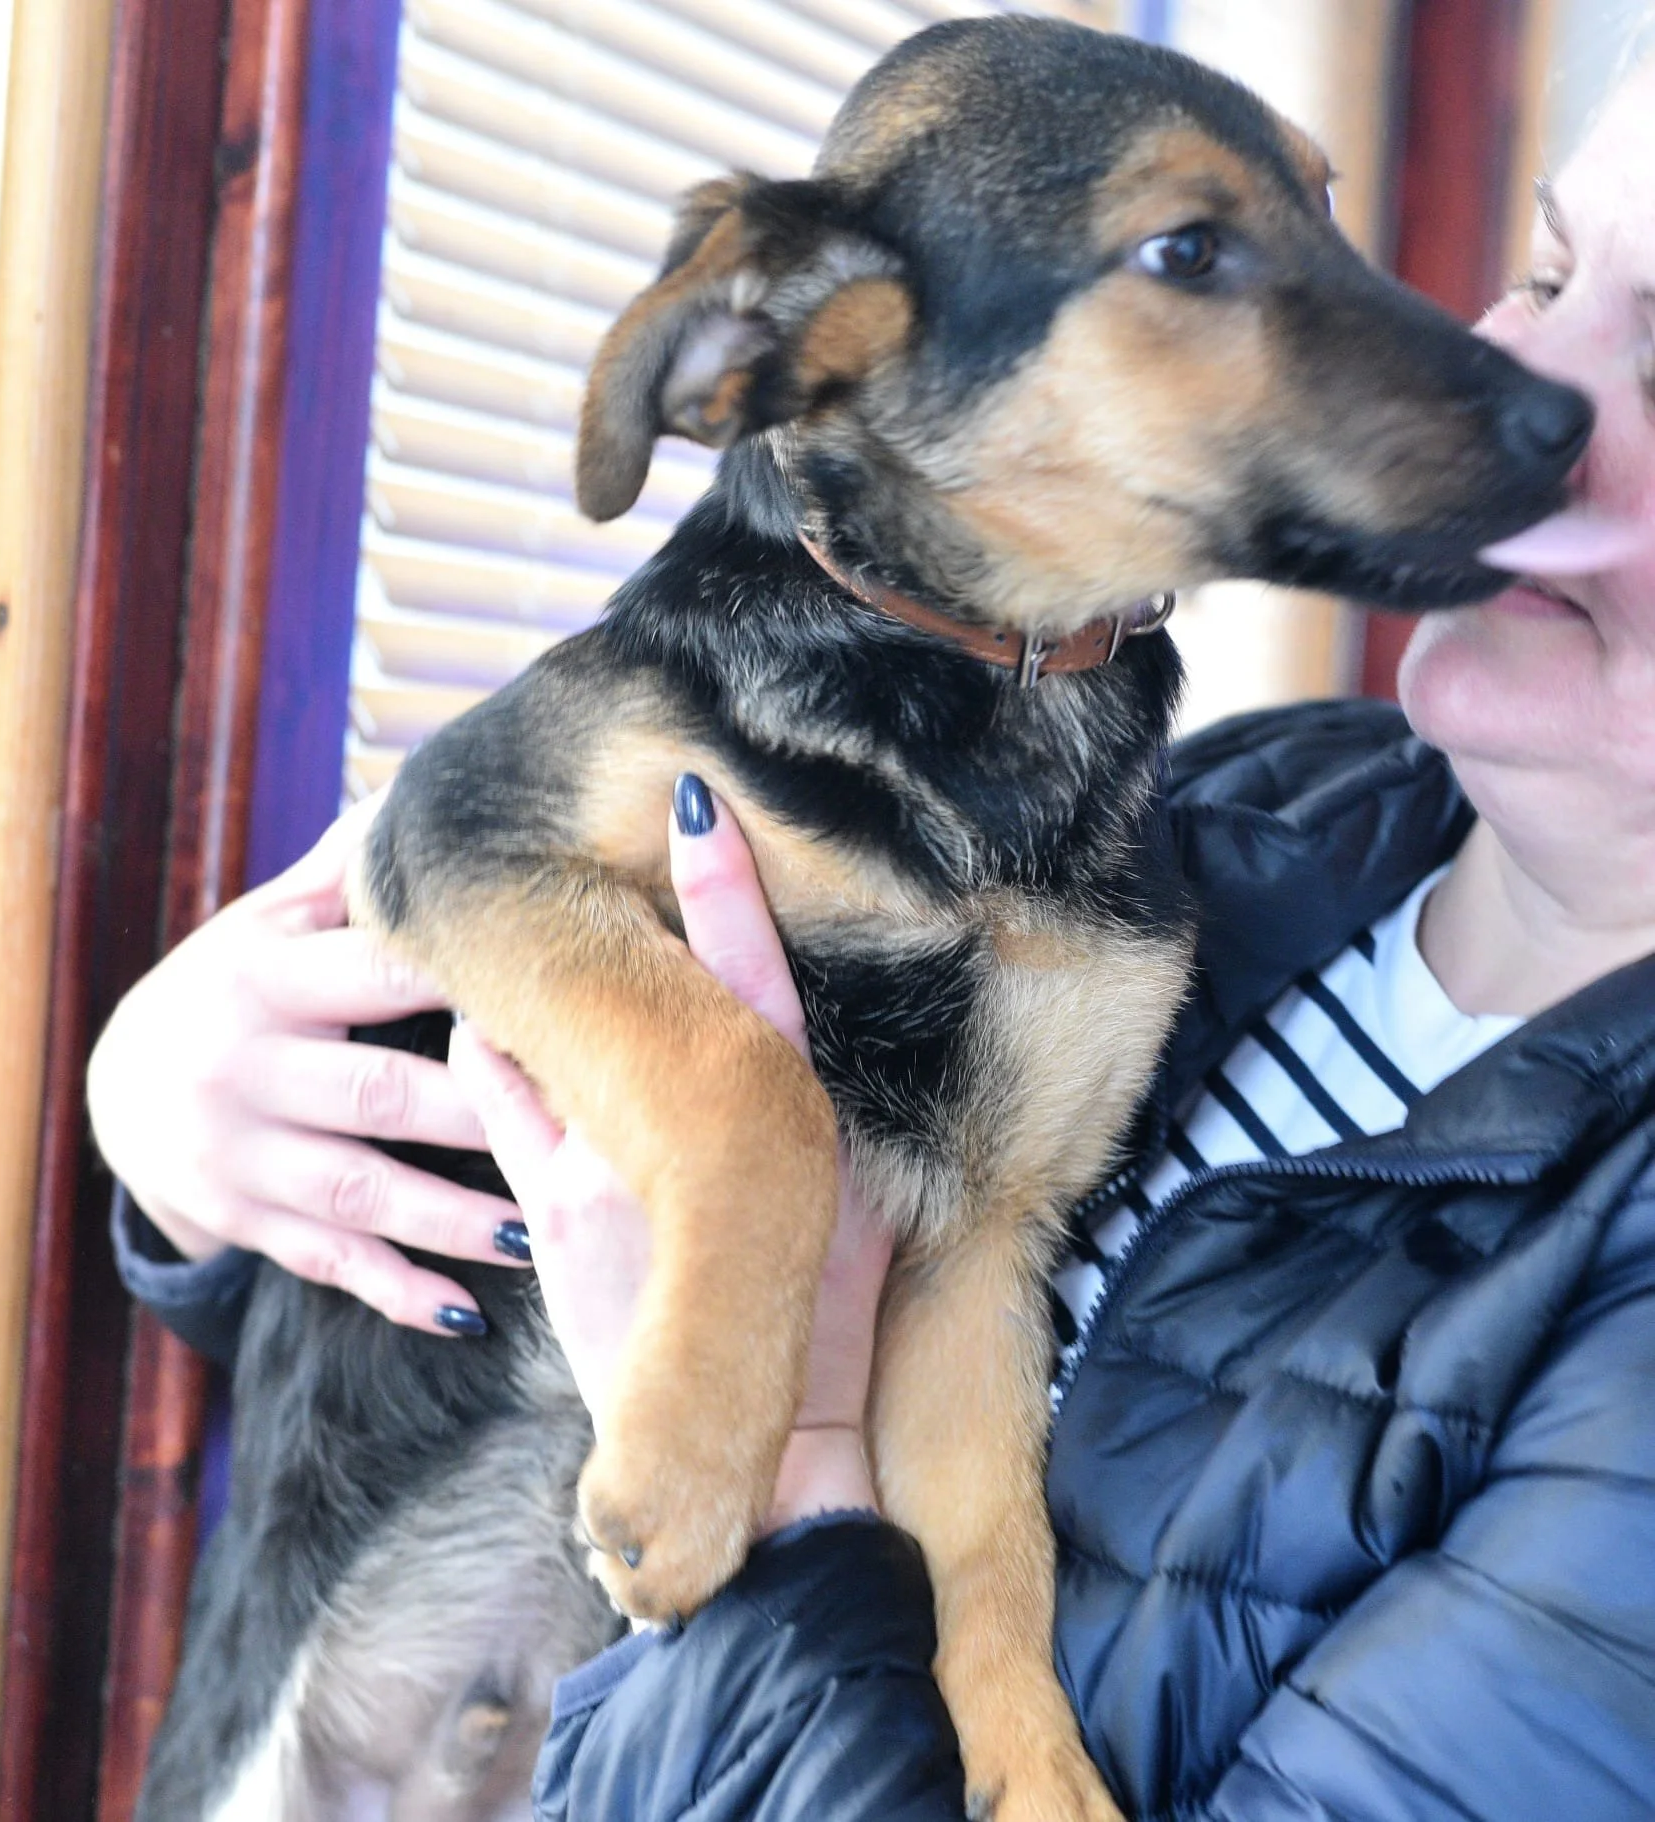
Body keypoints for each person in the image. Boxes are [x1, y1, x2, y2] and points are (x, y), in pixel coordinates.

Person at [87, 62, 1654, 1822]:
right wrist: (187, 1141)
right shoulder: (1256, 809)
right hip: (341, 1679)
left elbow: (953, 1259)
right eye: (1540, 268)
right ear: (816, 337)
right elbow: (467, 1029)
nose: (1532, 384)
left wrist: (839, 1522)